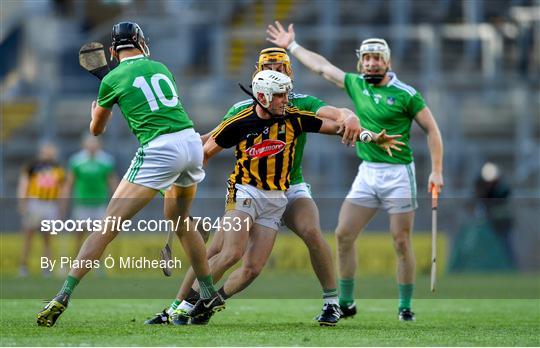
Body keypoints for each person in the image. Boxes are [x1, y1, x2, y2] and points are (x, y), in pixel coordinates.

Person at [149, 70, 403, 327]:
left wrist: (370, 136)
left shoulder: (294, 118)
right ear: (263, 96)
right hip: (245, 191)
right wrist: (179, 185)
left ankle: (207, 304)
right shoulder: (239, 122)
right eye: (280, 94)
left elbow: (338, 127)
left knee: (253, 269)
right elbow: (204, 154)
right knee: (231, 252)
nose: (286, 99)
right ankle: (182, 307)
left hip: (276, 199)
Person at [37, 21, 223, 327]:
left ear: (113, 50)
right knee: (181, 221)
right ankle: (206, 290)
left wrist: (96, 106)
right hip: (191, 143)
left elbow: (96, 130)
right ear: (141, 43)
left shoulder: (110, 80)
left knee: (107, 226)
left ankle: (62, 294)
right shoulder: (160, 67)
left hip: (159, 148)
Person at [267, 21, 444, 321]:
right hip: (368, 172)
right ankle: (346, 303)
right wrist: (292, 46)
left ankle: (405, 307)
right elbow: (322, 68)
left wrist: (436, 171)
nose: (372, 62)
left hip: (400, 173)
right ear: (360, 61)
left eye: (378, 58)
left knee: (400, 241)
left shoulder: (406, 93)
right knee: (343, 234)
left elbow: (433, 130)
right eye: (367, 58)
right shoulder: (356, 83)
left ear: (387, 61)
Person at [17, 142, 65, 277]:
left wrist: (61, 207)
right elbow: (24, 184)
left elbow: (61, 188)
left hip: (50, 205)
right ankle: (23, 267)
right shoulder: (32, 166)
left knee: (47, 239)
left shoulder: (58, 168)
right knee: (28, 237)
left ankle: (46, 268)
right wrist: (23, 202)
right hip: (35, 203)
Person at [65, 135, 118, 254]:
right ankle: (77, 262)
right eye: (89, 144)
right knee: (79, 235)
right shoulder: (76, 161)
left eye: (94, 144)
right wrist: (65, 200)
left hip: (99, 204)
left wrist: (117, 201)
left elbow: (112, 182)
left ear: (99, 145)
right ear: (84, 145)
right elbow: (69, 183)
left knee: (100, 236)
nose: (92, 147)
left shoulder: (106, 160)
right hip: (82, 204)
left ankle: (97, 265)